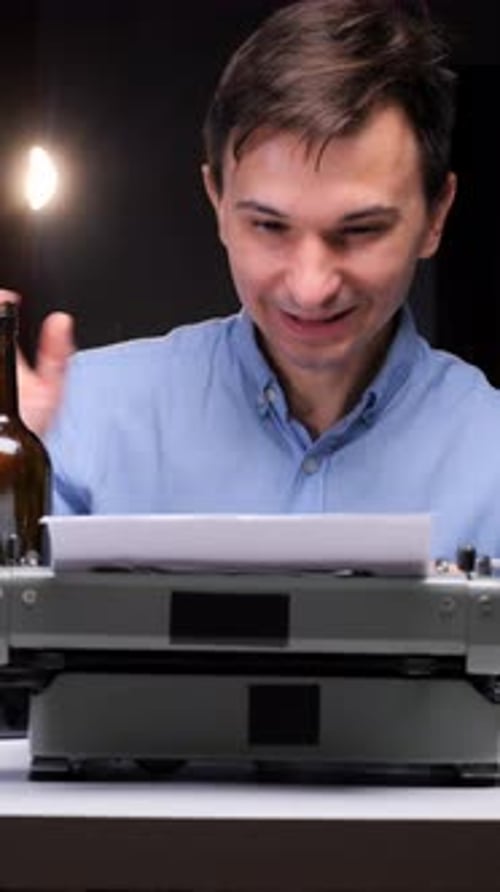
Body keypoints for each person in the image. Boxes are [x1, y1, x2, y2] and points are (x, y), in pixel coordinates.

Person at [7, 0, 500, 560]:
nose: (310, 287)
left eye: (359, 231)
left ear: (436, 216)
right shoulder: (70, 425)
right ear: (218, 202)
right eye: (269, 225)